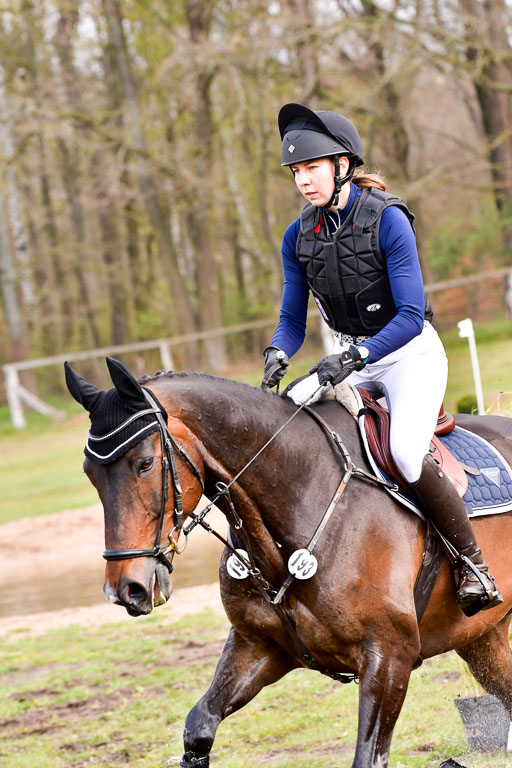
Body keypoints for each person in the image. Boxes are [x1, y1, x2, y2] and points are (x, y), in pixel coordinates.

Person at [261, 102, 502, 615]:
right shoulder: (297, 236)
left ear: (342, 165)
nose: (303, 181)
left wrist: (354, 356)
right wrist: (278, 351)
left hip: (409, 355)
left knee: (406, 454)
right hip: (352, 359)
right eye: (296, 171)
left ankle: (473, 563)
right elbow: (291, 318)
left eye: (312, 168)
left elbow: (411, 315)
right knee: (299, 429)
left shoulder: (388, 219)